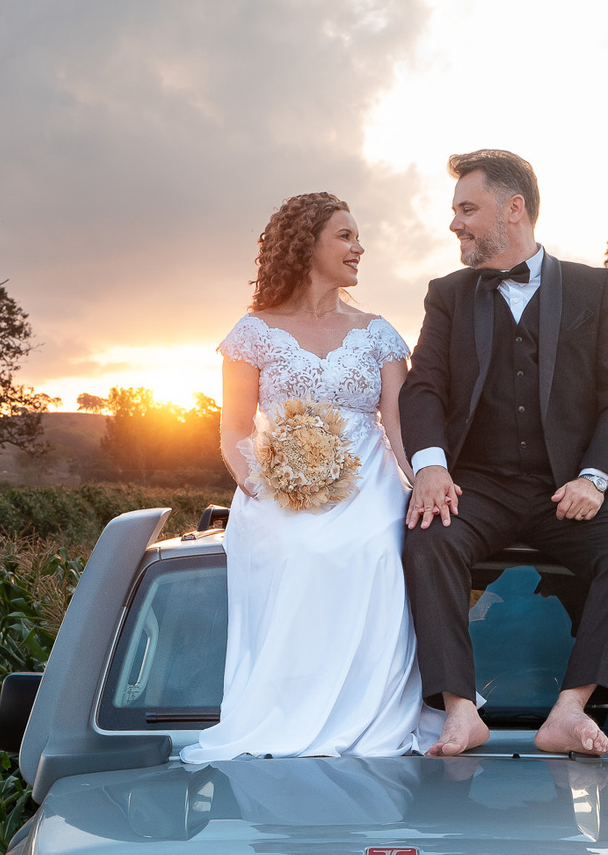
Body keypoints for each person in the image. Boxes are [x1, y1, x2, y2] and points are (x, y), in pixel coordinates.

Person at [400, 149, 608, 758]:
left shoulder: (596, 289)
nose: (455, 223)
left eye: (468, 208)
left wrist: (595, 480)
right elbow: (424, 387)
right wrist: (431, 467)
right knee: (427, 538)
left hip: (566, 489)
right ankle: (461, 712)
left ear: (513, 208)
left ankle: (569, 712)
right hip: (479, 487)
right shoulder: (448, 295)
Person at [181, 191, 428, 762]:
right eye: (345, 236)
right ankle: (287, 713)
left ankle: (371, 715)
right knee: (299, 548)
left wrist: (422, 484)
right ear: (306, 244)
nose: (358, 247)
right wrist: (267, 485)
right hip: (277, 486)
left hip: (369, 483)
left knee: (376, 550)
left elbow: (397, 423)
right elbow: (236, 426)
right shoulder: (253, 332)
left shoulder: (380, 334)